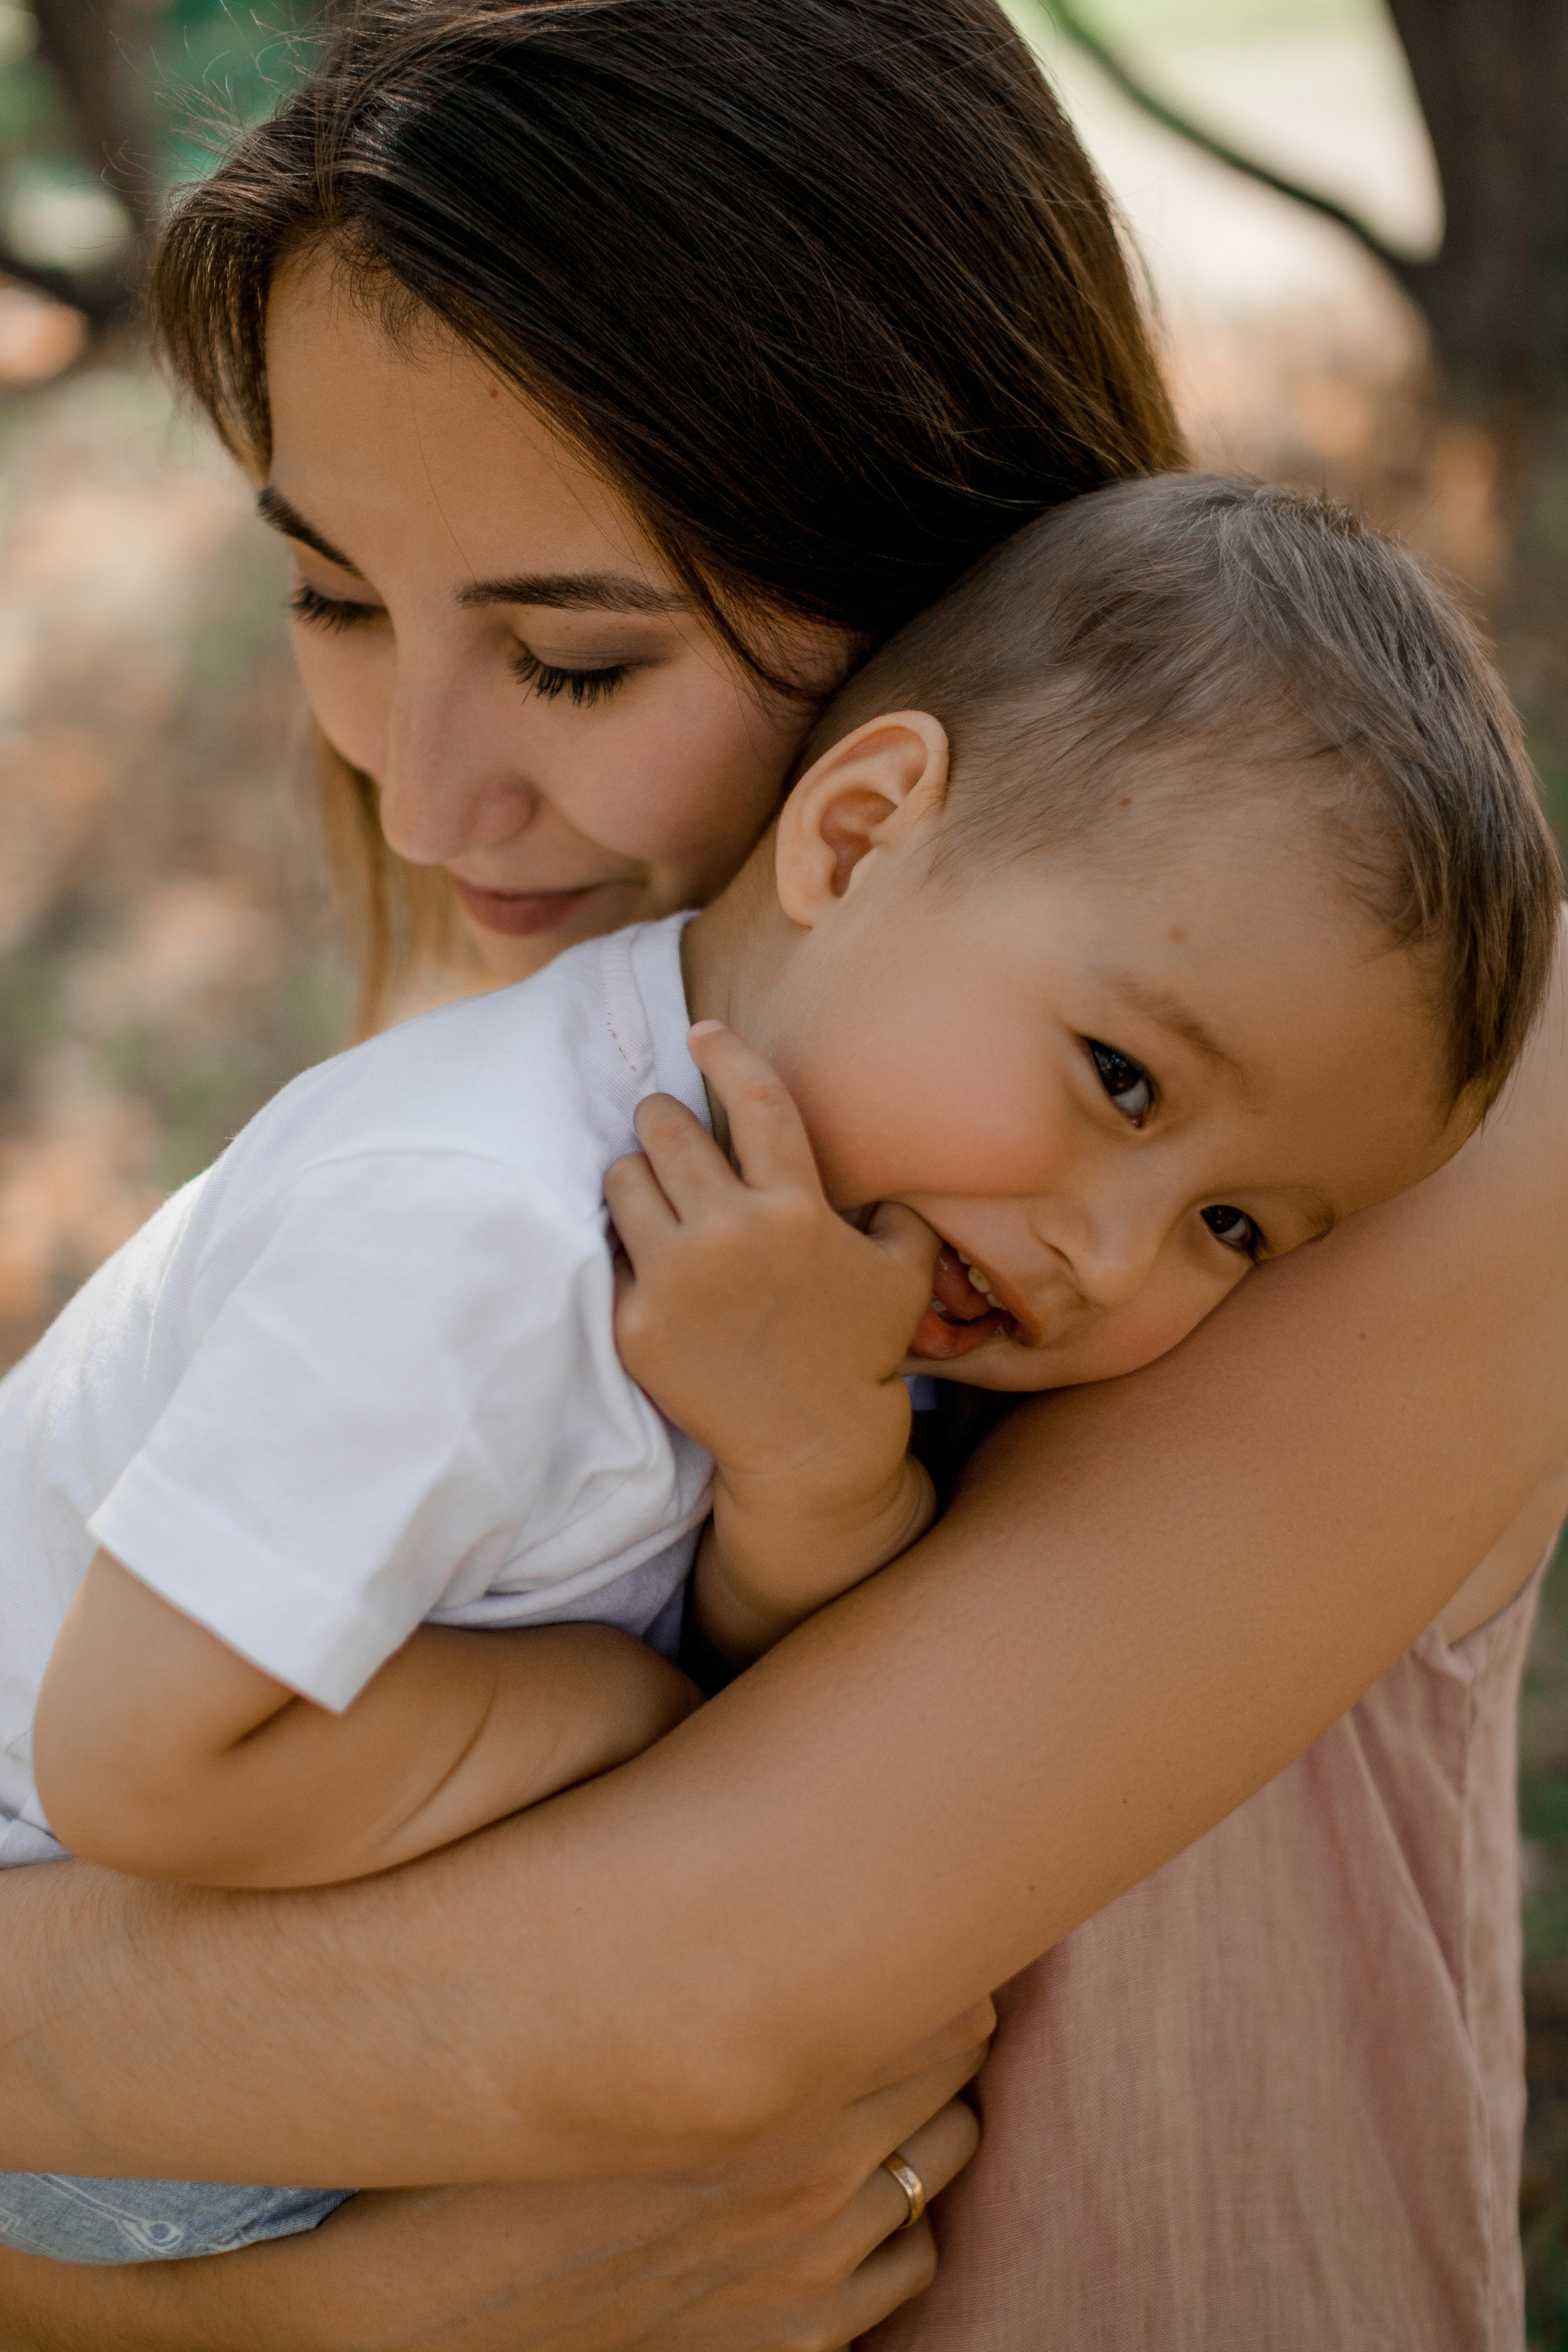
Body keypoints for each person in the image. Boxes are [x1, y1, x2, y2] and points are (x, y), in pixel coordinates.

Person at [2, 2, 1565, 2344]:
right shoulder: (540, 1132)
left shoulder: (1432, 1087)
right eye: (332, 599)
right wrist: (270, 2327)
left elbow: (672, 1995)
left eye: (579, 660)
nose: (422, 801)